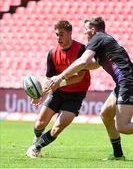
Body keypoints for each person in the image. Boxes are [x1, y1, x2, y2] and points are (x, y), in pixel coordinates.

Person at [46, 17, 133, 160]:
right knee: (106, 114)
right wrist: (70, 70)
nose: (84, 34)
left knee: (123, 126)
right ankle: (118, 155)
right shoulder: (104, 41)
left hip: (128, 81)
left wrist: (60, 77)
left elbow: (84, 61)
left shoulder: (97, 38)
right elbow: (93, 65)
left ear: (92, 30)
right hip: (125, 82)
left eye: (85, 30)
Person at [26, 20, 99, 158]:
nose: (59, 38)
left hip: (76, 95)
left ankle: (35, 148)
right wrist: (41, 94)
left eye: (62, 34)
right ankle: (37, 139)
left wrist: (58, 83)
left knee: (58, 127)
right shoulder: (52, 53)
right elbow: (48, 78)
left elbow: (79, 77)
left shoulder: (82, 50)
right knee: (40, 123)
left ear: (70, 33)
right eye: (57, 35)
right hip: (58, 93)